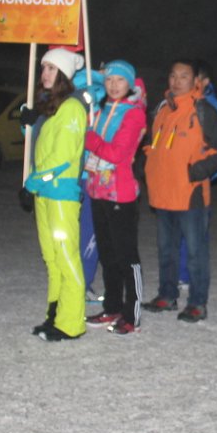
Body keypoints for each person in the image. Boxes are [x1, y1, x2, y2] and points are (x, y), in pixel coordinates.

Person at [142, 59, 217, 322]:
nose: (177, 81)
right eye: (173, 76)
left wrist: (193, 173)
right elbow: (151, 145)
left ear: (195, 82)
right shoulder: (163, 110)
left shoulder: (203, 110)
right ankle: (167, 295)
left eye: (184, 76)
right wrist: (149, 171)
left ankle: (197, 303)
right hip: (162, 193)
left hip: (188, 194)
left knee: (194, 251)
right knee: (166, 249)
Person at [22, 48, 89, 341]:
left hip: (60, 194)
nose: (44, 74)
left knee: (66, 257)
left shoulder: (72, 108)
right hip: (44, 193)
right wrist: (29, 124)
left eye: (51, 69)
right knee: (51, 257)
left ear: (63, 74)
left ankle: (71, 322)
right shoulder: (51, 107)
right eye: (43, 68)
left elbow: (61, 159)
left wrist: (33, 183)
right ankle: (55, 314)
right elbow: (41, 147)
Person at [82, 60, 147, 335]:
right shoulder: (99, 110)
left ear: (130, 84)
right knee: (108, 255)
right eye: (109, 80)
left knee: (126, 256)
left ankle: (132, 314)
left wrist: (89, 138)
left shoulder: (134, 114)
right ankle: (112, 307)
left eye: (120, 80)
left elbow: (116, 153)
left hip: (120, 192)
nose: (113, 85)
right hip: (97, 189)